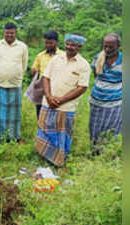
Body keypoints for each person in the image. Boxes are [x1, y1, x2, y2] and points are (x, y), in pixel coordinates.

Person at [35, 33, 91, 167]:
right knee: (44, 132)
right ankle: (43, 159)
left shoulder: (83, 65)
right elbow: (46, 78)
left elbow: (82, 88)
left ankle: (59, 162)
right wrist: (49, 97)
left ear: (80, 46)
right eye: (68, 44)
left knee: (62, 135)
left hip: (66, 107)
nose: (70, 47)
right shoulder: (56, 59)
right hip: (48, 103)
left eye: (73, 45)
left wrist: (61, 100)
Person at [0, 23, 28, 143]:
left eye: (12, 33)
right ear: (4, 32)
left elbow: (24, 65)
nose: (9, 35)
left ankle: (14, 136)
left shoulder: (22, 47)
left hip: (14, 84)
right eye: (7, 33)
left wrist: (15, 74)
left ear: (16, 33)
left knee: (14, 113)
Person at [89, 33, 122, 149]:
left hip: (115, 103)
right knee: (95, 128)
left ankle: (107, 153)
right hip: (96, 101)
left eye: (111, 47)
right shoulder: (98, 57)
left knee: (112, 129)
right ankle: (94, 152)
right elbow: (95, 74)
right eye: (105, 46)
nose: (107, 49)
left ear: (118, 46)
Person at [31, 30, 64, 119]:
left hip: (57, 87)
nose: (48, 45)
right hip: (42, 88)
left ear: (56, 42)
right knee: (41, 113)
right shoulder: (40, 56)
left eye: (51, 43)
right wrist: (33, 71)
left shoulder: (62, 56)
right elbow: (34, 70)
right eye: (46, 43)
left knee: (55, 113)